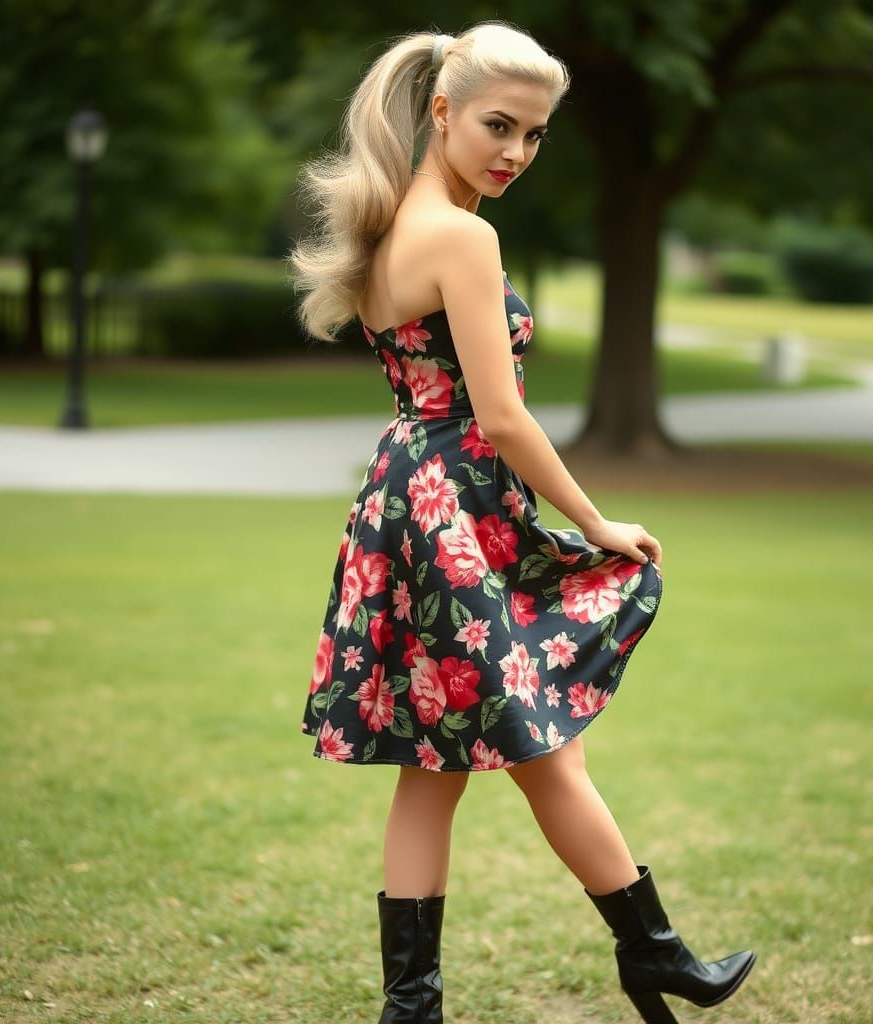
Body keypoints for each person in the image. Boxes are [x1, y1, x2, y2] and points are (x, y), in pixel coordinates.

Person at [288, 21, 754, 1024]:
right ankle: (653, 953)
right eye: (499, 125)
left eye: (535, 135)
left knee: (435, 769)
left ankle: (420, 1006)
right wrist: (594, 521)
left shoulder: (389, 224)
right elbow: (499, 414)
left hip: (412, 498)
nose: (516, 152)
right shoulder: (462, 236)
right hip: (453, 507)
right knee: (540, 746)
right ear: (442, 110)